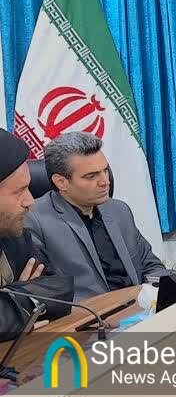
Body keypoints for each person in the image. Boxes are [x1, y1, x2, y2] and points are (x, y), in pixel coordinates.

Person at [25, 132, 166, 301]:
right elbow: (42, 291)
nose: (105, 181)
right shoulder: (34, 219)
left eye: (105, 171)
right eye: (91, 176)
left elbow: (150, 266)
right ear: (61, 182)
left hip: (140, 306)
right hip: (88, 314)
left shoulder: (119, 210)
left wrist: (166, 294)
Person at [0, 128, 74, 341]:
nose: (30, 201)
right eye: (19, 191)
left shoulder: (15, 236)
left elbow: (61, 289)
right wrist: (25, 299)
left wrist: (13, 297)